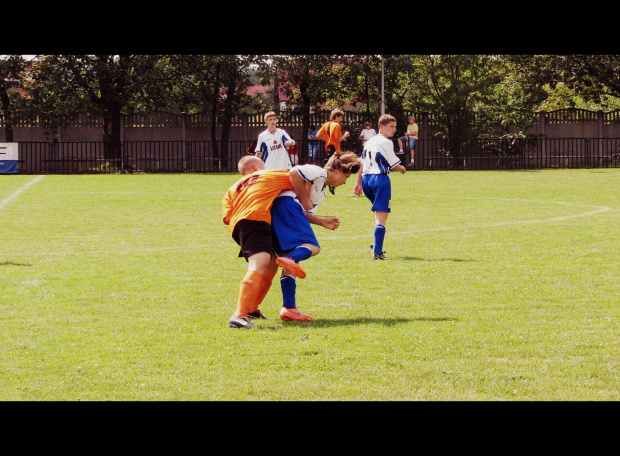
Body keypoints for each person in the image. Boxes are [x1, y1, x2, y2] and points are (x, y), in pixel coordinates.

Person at [222, 155, 313, 329]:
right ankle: (239, 315)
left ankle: (251, 309)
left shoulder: (232, 189)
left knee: (271, 264)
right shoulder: (267, 175)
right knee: (260, 263)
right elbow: (298, 176)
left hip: (239, 226)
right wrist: (306, 200)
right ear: (256, 168)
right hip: (256, 219)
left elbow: (227, 218)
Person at [271, 151, 362, 321]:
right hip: (286, 205)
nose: (344, 182)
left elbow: (304, 213)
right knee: (312, 247)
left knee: (290, 261)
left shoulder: (321, 193)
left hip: (281, 212)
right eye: (346, 177)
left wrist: (321, 221)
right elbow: (295, 173)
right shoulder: (318, 172)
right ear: (337, 169)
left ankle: (289, 308)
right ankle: (290, 258)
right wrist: (305, 199)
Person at [353, 114, 406, 260]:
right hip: (380, 179)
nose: (394, 130)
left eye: (395, 127)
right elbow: (394, 165)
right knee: (382, 215)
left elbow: (361, 163)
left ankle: (376, 244)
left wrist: (358, 184)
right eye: (391, 126)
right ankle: (377, 251)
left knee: (378, 213)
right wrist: (402, 168)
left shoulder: (370, 141)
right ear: (381, 126)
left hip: (366, 179)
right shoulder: (385, 142)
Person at [317, 108, 350, 193]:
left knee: (329, 166)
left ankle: (327, 184)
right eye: (341, 117)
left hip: (329, 147)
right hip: (334, 148)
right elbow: (337, 139)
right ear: (337, 116)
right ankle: (328, 184)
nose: (341, 119)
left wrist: (328, 139)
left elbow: (318, 135)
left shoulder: (326, 124)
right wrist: (345, 136)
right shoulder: (336, 125)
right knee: (334, 168)